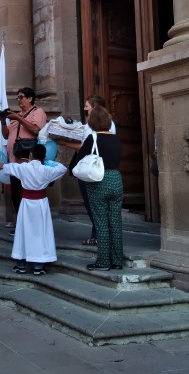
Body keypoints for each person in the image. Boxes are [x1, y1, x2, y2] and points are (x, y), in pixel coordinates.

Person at [68, 108, 124, 271]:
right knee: (115, 222)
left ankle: (103, 261)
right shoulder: (116, 139)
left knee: (101, 222)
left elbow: (79, 159)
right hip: (116, 179)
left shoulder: (92, 138)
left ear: (92, 122)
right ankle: (117, 260)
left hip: (99, 180)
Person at [55, 95, 115, 246]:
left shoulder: (97, 125)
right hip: (105, 169)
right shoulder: (107, 124)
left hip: (92, 169)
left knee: (92, 204)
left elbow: (85, 147)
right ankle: (101, 235)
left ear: (94, 107)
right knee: (98, 206)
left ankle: (99, 236)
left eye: (87, 106)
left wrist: (64, 142)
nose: (84, 108)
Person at [0, 144, 67, 275]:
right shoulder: (46, 169)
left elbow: (5, 167)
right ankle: (38, 266)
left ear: (30, 155)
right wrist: (48, 161)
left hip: (26, 203)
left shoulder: (23, 167)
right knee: (40, 233)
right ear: (43, 156)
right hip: (41, 204)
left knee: (23, 232)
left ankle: (21, 265)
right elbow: (62, 168)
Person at [1, 87, 48, 229]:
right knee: (15, 193)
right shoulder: (17, 116)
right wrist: (3, 122)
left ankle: (29, 225)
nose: (19, 100)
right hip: (14, 161)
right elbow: (5, 135)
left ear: (30, 98)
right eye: (18, 98)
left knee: (27, 194)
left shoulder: (37, 112)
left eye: (21, 97)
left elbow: (35, 129)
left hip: (28, 162)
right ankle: (20, 223)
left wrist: (18, 118)